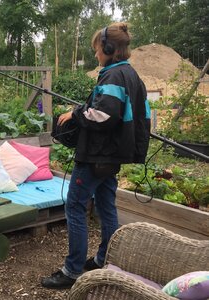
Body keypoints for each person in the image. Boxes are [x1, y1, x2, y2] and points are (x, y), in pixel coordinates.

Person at [41, 22, 151, 290]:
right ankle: (104, 258)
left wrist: (76, 114)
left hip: (94, 157)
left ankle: (72, 271)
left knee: (75, 207)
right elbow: (135, 114)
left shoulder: (112, 76)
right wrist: (83, 108)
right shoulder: (132, 75)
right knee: (105, 207)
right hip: (112, 157)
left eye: (96, 50)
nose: (95, 55)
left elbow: (104, 115)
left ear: (108, 48)